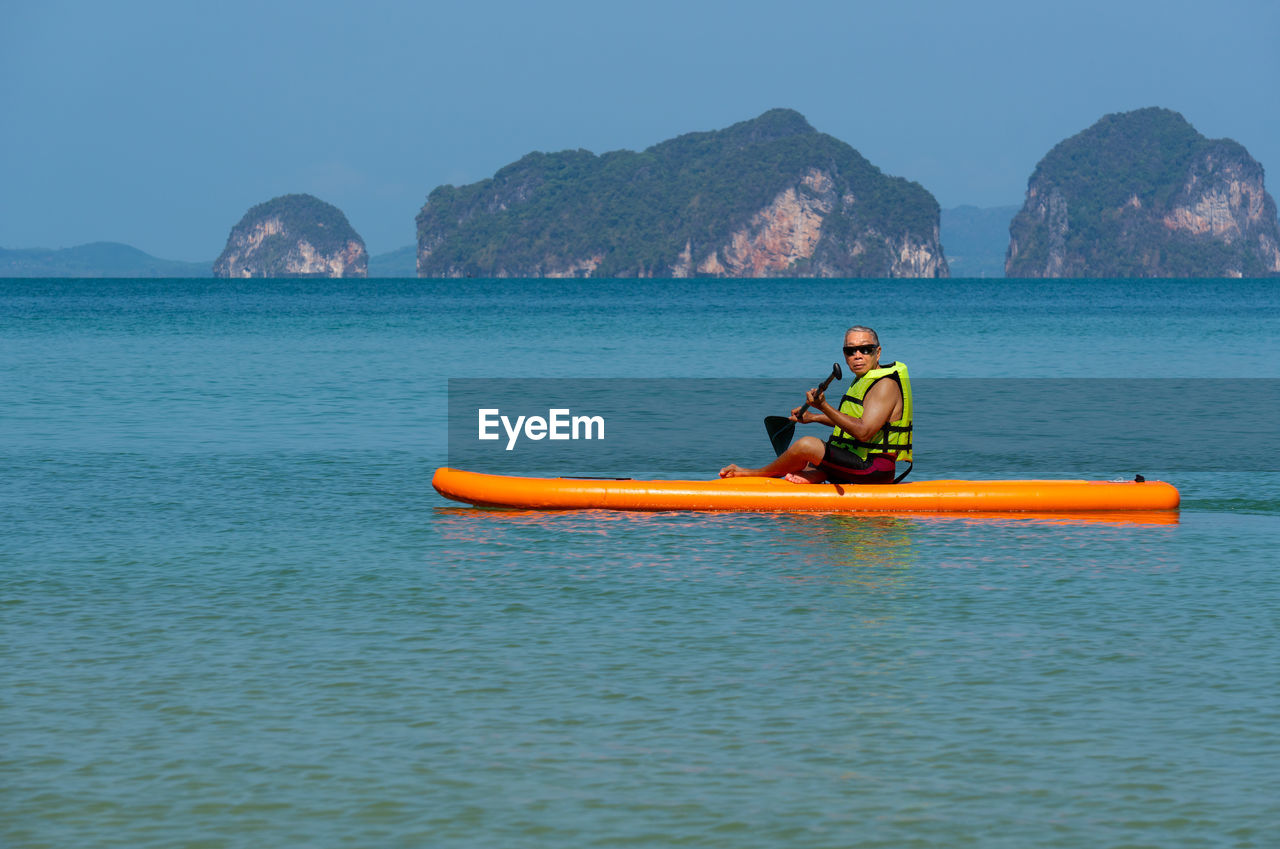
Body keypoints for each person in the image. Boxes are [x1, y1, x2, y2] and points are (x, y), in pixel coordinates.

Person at [719, 326, 913, 484]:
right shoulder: (864, 379)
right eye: (850, 350)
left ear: (877, 353)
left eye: (865, 349)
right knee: (804, 464)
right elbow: (853, 421)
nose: (857, 355)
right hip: (856, 459)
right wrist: (814, 418)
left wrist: (823, 407)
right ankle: (819, 473)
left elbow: (864, 432)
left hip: (873, 469)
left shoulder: (885, 385)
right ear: (844, 355)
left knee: (806, 445)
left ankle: (753, 474)